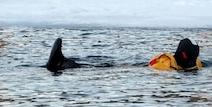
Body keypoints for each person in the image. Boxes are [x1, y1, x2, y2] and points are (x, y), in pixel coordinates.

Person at [45, 37, 201, 72]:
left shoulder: (169, 65)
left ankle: (63, 64)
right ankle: (64, 64)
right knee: (101, 67)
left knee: (101, 68)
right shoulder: (192, 66)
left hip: (132, 69)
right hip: (133, 69)